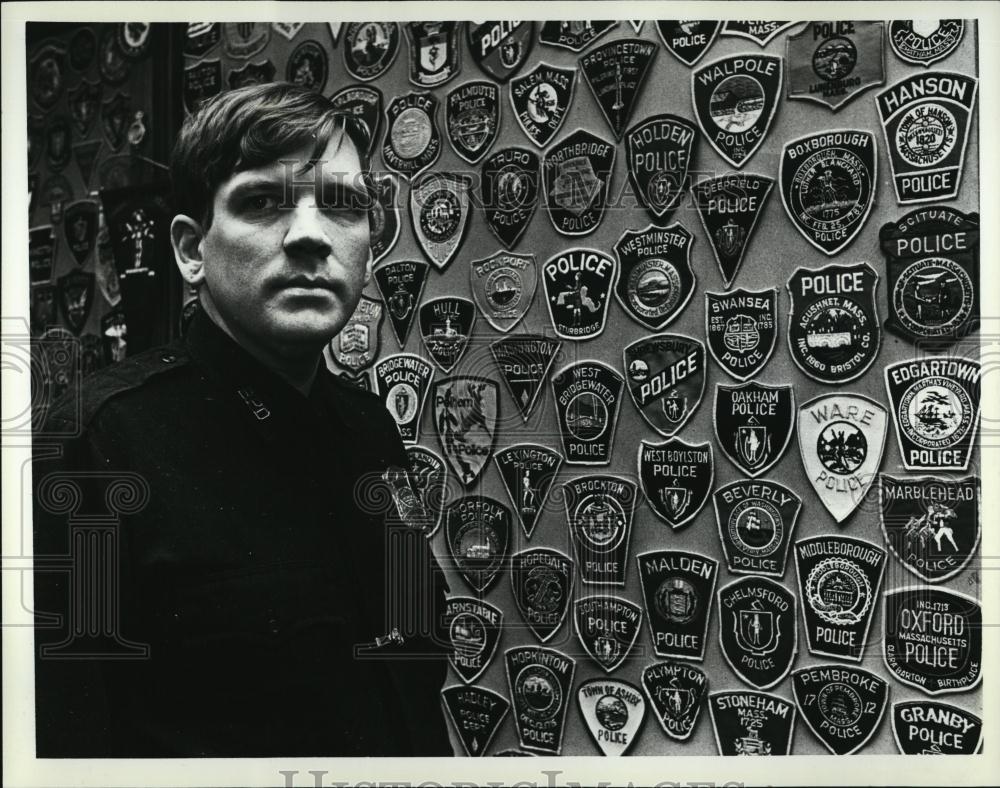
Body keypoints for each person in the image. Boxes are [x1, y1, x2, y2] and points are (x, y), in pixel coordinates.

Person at [32, 83, 451, 757]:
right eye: (261, 202)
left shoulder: (369, 427)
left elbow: (409, 687)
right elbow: (64, 743)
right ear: (192, 250)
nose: (311, 235)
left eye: (343, 205)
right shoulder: (101, 440)